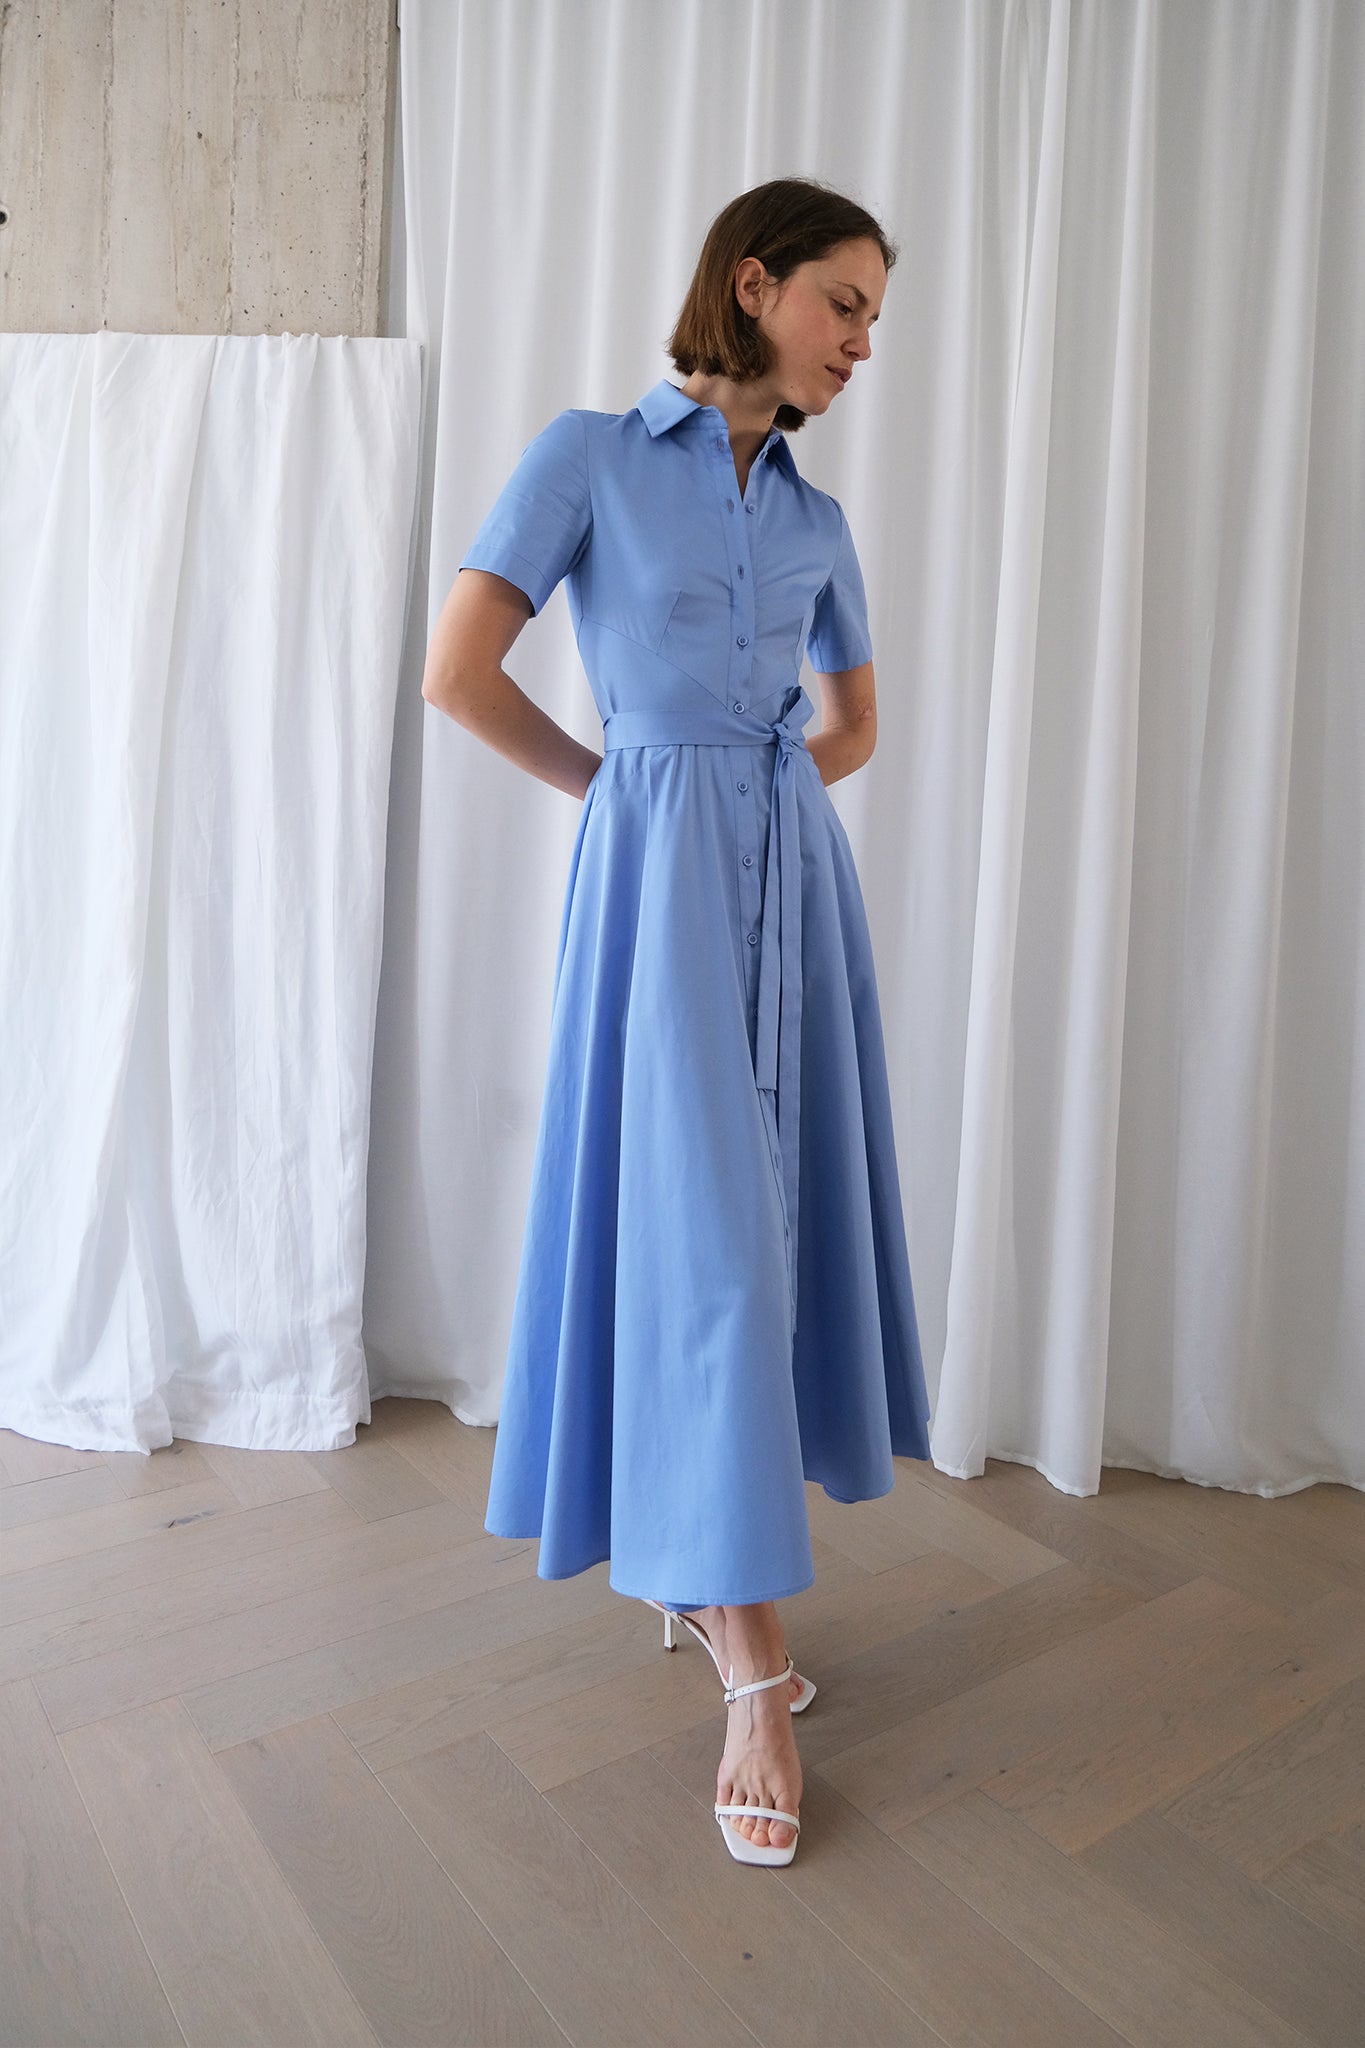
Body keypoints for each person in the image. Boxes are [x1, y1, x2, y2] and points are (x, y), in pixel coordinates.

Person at [422, 177, 933, 1868]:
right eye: (845, 303)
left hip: (794, 892)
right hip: (654, 897)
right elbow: (456, 671)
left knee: (767, 1237)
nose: (863, 341)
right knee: (702, 1239)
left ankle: (703, 1580)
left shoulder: (817, 520)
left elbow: (851, 724)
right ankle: (753, 1664)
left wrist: (759, 792)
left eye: (875, 316)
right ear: (754, 283)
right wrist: (624, 793)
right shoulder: (587, 455)